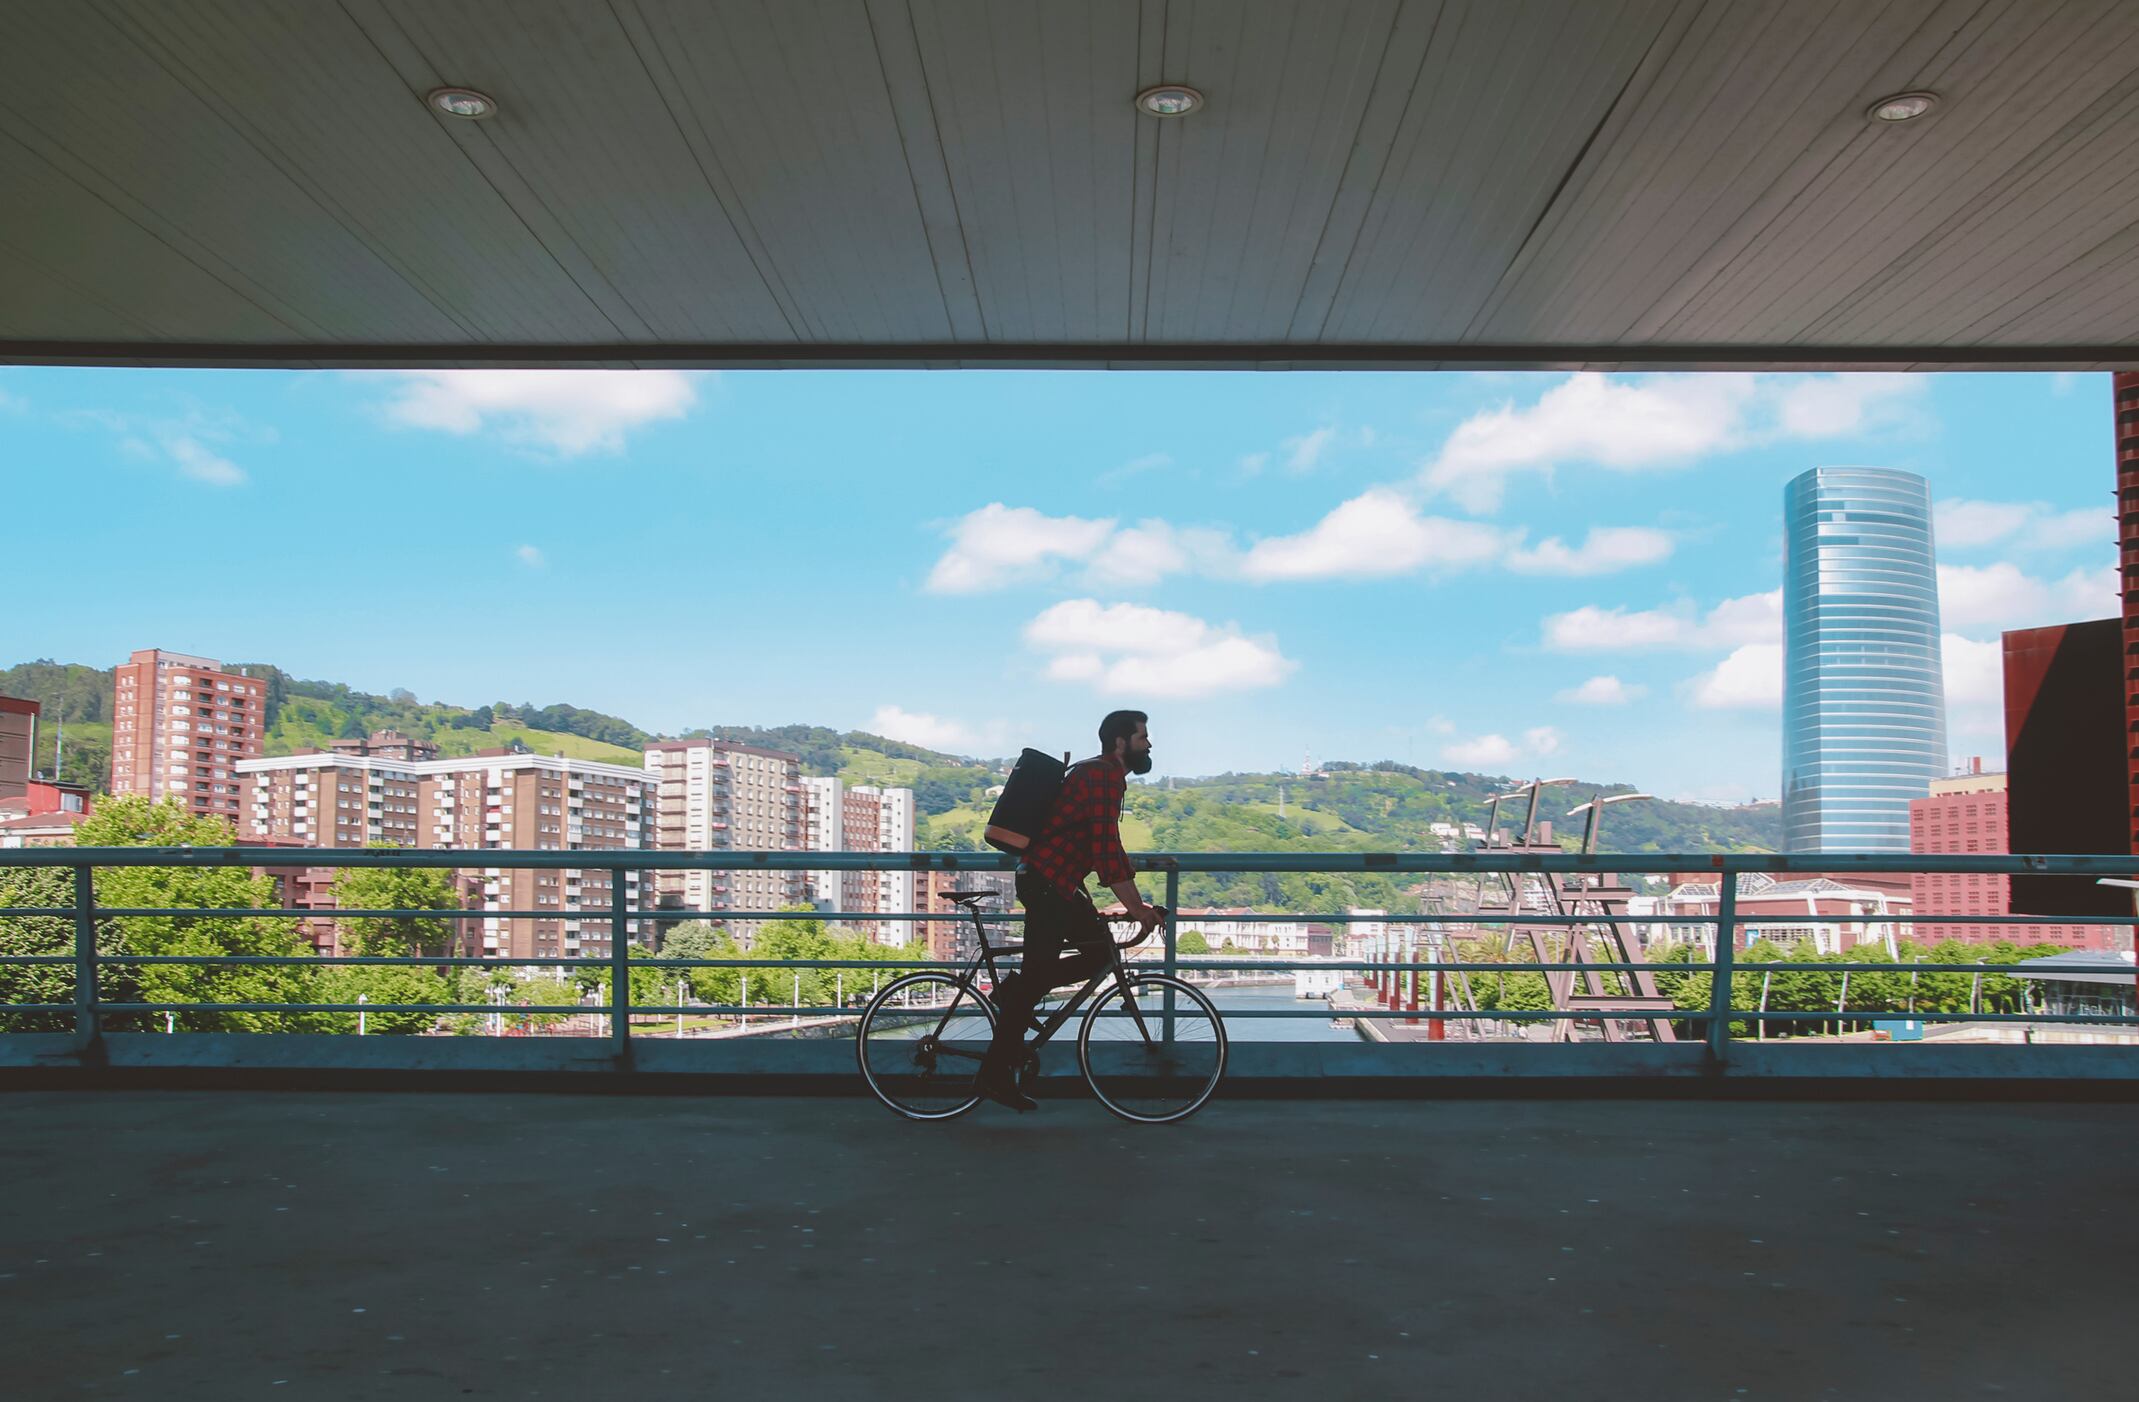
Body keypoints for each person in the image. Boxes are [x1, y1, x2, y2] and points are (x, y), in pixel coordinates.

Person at [978, 709, 1161, 1112]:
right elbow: (1105, 848)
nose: (1149, 744)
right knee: (1041, 976)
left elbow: (1103, 848)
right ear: (1120, 742)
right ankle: (994, 1073)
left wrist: (1134, 903)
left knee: (1100, 954)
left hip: (1058, 883)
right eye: (1143, 737)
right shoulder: (1103, 777)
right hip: (1048, 883)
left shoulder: (1102, 775)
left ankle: (1017, 991)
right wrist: (1138, 907)